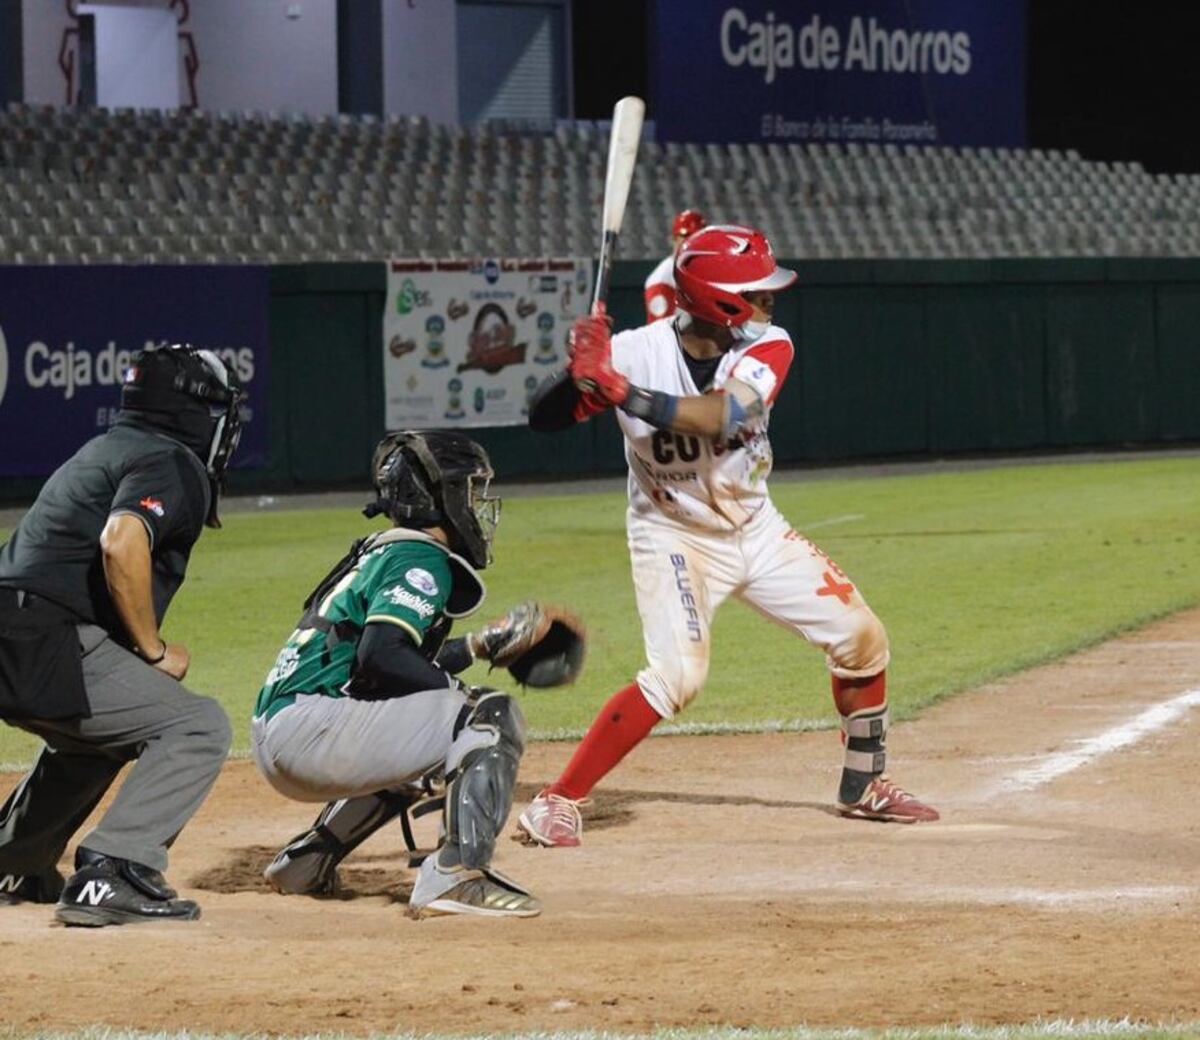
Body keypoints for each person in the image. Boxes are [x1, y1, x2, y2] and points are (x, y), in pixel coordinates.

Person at [516, 224, 939, 848]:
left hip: (757, 529)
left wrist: (621, 390)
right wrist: (580, 370)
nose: (770, 303)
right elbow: (543, 418)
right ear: (720, 301)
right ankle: (557, 800)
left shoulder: (770, 346)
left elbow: (723, 417)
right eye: (757, 293)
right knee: (676, 678)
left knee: (862, 638)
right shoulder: (635, 351)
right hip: (673, 535)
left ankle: (864, 786)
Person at [252, 430, 543, 919]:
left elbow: (379, 669)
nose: (477, 503)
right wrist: (459, 700)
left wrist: (478, 646)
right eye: (470, 490)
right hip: (314, 732)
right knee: (487, 716)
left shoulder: (382, 550)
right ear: (439, 496)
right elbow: (382, 656)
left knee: (431, 725)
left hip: (286, 730)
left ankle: (307, 861)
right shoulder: (420, 556)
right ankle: (456, 876)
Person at [0, 343, 245, 925]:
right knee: (197, 725)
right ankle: (114, 871)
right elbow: (121, 541)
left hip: (18, 621)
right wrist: (152, 649)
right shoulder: (172, 461)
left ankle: (15, 861)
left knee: (99, 738)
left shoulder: (108, 446)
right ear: (193, 412)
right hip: (40, 633)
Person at [643, 208, 706, 323]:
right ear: (674, 239)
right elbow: (659, 331)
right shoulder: (662, 280)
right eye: (685, 236)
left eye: (697, 237)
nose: (691, 242)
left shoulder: (699, 270)